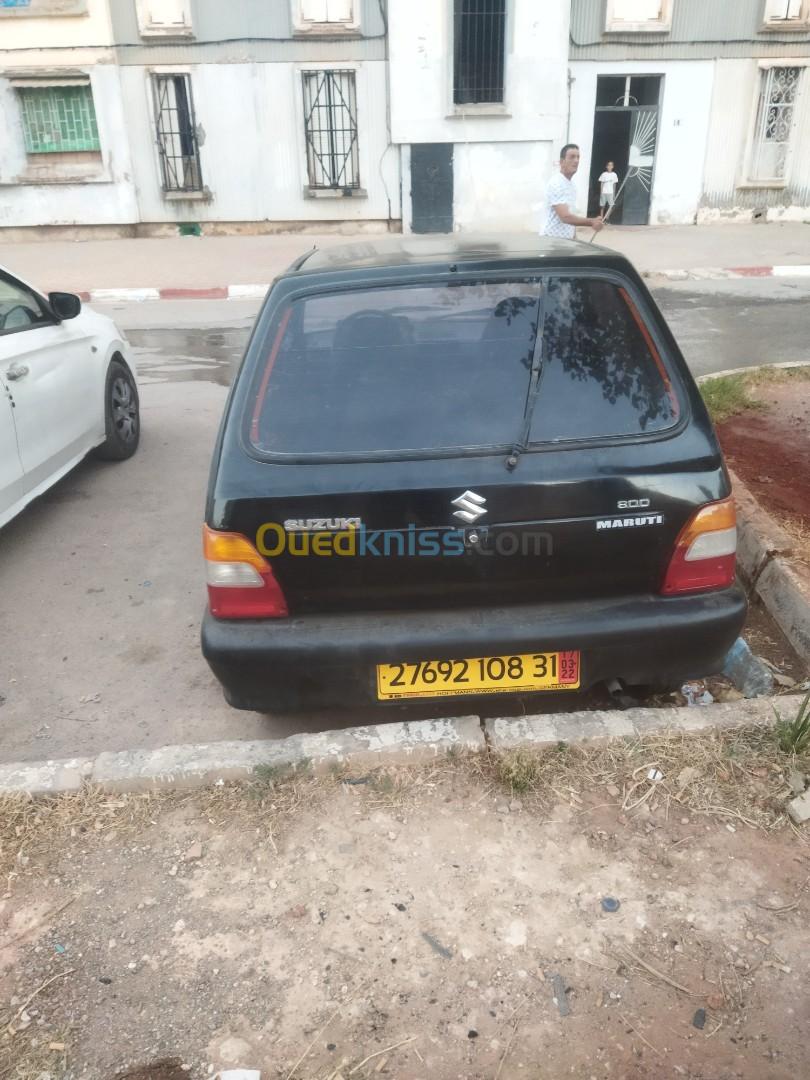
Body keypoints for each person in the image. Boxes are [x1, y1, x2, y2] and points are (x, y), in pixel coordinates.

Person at [542, 144, 604, 240]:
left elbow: (571, 215)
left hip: (566, 241)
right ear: (562, 162)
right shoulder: (556, 183)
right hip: (551, 241)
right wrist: (591, 222)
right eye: (572, 157)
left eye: (578, 157)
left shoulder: (572, 185)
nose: (576, 160)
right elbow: (565, 217)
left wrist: (575, 239)